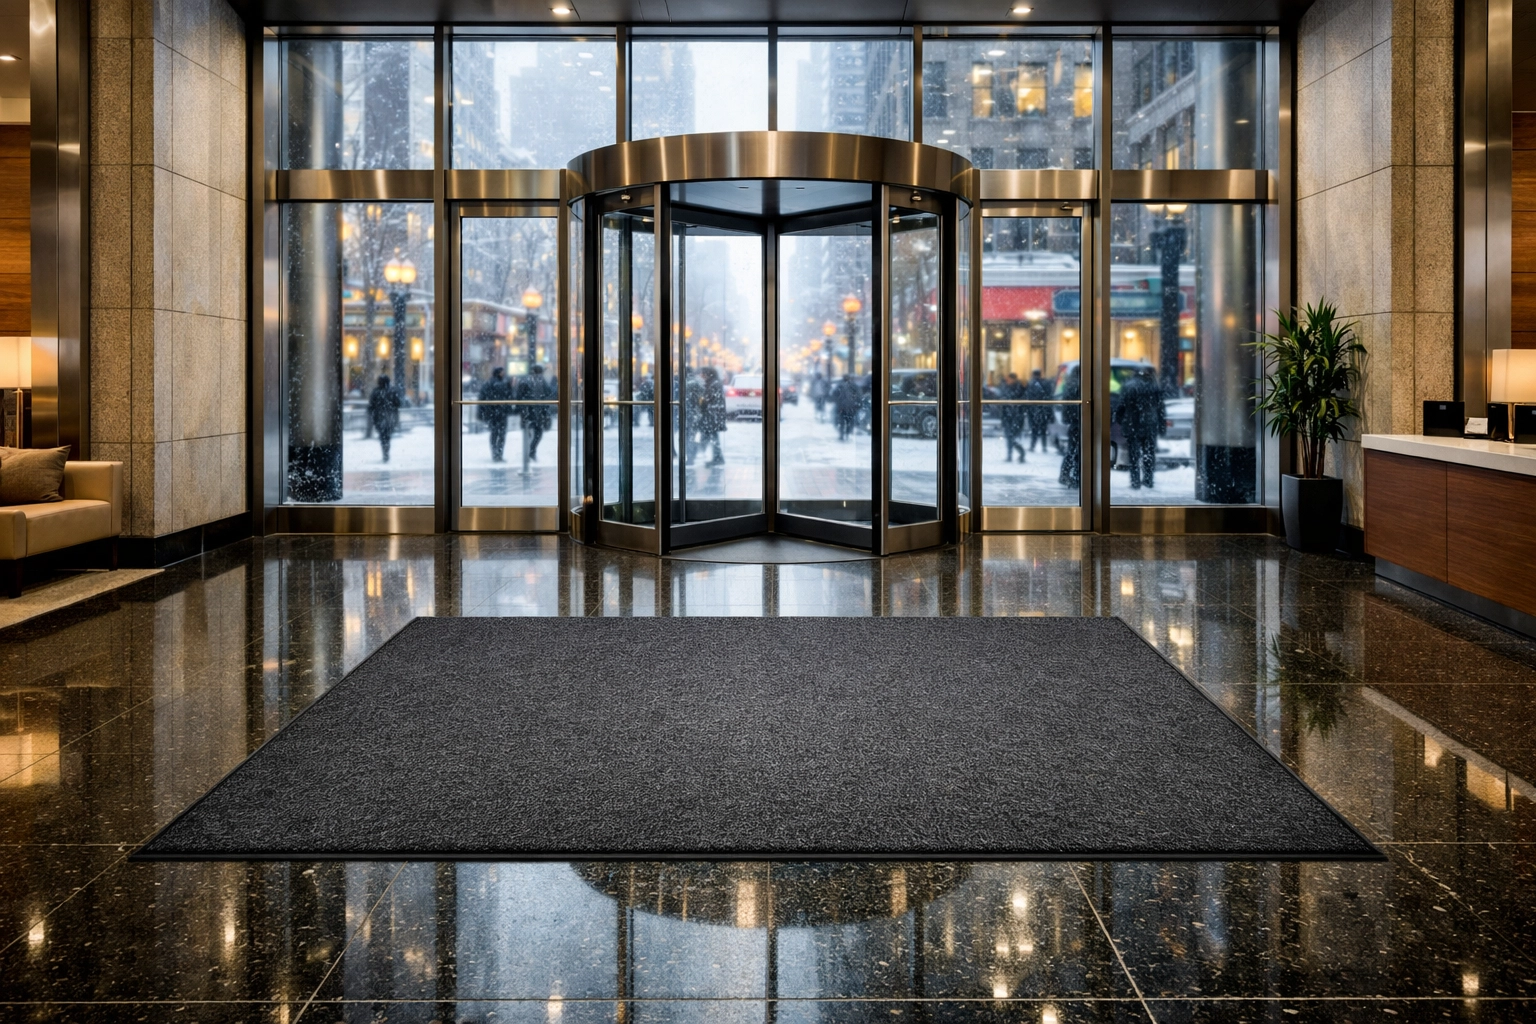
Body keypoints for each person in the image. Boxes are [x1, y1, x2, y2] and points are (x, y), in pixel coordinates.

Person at [1114, 365, 1167, 490]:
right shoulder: (1154, 387)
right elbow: (1160, 409)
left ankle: (1135, 481)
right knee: (1149, 454)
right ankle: (1148, 480)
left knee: (1134, 455)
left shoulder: (1129, 386)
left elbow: (1121, 406)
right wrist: (1161, 425)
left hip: (1133, 424)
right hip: (1150, 425)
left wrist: (1120, 420)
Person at [516, 364, 556, 473]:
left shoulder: (526, 381)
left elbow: (519, 396)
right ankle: (531, 452)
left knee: (530, 432)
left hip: (529, 411)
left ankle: (529, 453)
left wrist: (522, 408)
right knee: (538, 432)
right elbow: (549, 392)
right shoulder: (541, 381)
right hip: (537, 411)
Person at [477, 367, 514, 462]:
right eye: (502, 372)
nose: (504, 373)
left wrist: (482, 413)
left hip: (492, 413)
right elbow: (509, 398)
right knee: (501, 434)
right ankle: (499, 454)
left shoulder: (488, 383)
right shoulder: (503, 384)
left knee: (494, 434)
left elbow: (482, 398)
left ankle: (495, 454)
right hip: (501, 413)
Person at [693, 366, 728, 466]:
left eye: (703, 373)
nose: (701, 375)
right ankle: (717, 457)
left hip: (711, 416)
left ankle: (694, 454)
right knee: (711, 436)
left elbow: (708, 399)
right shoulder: (714, 383)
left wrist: (701, 401)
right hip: (712, 416)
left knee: (709, 437)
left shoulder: (713, 384)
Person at [367, 374, 402, 463]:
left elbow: (371, 406)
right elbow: (398, 403)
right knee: (387, 436)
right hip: (390, 418)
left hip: (379, 418)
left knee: (383, 436)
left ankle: (385, 452)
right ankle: (386, 451)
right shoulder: (392, 391)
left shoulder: (376, 392)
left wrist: (373, 414)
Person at [1058, 367, 1081, 488]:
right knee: (1079, 451)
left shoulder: (1070, 385)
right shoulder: (1081, 384)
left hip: (1074, 422)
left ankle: (1065, 474)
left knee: (1072, 450)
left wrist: (1067, 418)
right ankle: (1076, 476)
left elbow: (1066, 404)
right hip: (1080, 421)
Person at [1024, 369, 1055, 451]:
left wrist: (1028, 409)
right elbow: (1049, 397)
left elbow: (1028, 397)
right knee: (1043, 430)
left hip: (1033, 410)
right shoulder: (1045, 383)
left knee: (1034, 430)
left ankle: (1033, 446)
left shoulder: (1031, 384)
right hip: (1043, 410)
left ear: (1033, 375)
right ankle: (1044, 447)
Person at [1000, 372, 1027, 463]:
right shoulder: (1007, 387)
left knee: (1013, 437)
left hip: (1015, 416)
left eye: (1009, 379)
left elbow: (1020, 399)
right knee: (1009, 437)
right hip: (1008, 416)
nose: (1007, 381)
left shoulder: (1019, 387)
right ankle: (1010, 455)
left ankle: (1020, 453)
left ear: (1013, 379)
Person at [831, 373, 860, 441]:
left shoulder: (852, 386)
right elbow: (835, 395)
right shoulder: (842, 386)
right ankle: (843, 434)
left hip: (849, 407)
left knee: (847, 422)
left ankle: (845, 433)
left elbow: (858, 396)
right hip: (844, 407)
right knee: (844, 422)